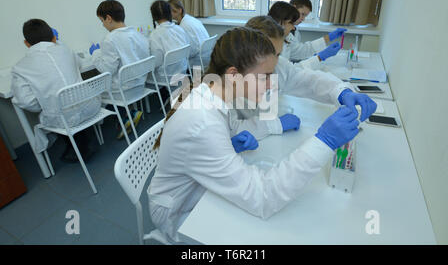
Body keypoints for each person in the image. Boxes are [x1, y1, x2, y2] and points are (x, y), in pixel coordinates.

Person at [147, 27, 372, 243]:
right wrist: (323, 142)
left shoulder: (212, 91)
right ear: (234, 74)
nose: (271, 83)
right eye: (265, 76)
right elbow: (263, 197)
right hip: (179, 212)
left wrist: (232, 140)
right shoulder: (202, 121)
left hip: (198, 187)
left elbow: (230, 127)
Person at [227, 15, 377, 141]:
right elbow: (230, 128)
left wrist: (342, 92)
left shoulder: (279, 66)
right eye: (267, 53)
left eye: (277, 54)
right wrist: (275, 125)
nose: (274, 62)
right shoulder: (227, 77)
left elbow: (308, 80)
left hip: (268, 140)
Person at [11, 19, 101, 163]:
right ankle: (83, 143)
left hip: (63, 120)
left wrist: (46, 101)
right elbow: (81, 65)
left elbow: (26, 102)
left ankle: (77, 147)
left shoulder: (20, 68)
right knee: (69, 105)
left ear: (26, 43)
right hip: (92, 107)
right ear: (53, 37)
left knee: (54, 109)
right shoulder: (66, 50)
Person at [90, 0, 149, 138]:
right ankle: (129, 114)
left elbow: (107, 69)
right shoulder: (137, 33)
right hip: (141, 85)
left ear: (109, 18)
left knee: (96, 92)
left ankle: (125, 118)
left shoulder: (109, 39)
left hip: (124, 91)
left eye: (102, 20)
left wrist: (95, 54)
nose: (102, 25)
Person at [268, 1, 344, 69]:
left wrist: (328, 38)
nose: (293, 27)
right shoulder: (266, 45)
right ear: (279, 22)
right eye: (291, 23)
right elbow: (290, 71)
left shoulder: (286, 37)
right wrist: (320, 57)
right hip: (270, 83)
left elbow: (302, 50)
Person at [148, 0, 191, 99]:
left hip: (167, 76)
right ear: (169, 13)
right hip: (182, 69)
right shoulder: (179, 29)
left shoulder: (155, 35)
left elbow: (157, 62)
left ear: (153, 16)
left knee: (144, 75)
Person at [289, 0, 347, 64]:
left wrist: (329, 38)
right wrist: (320, 57)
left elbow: (299, 52)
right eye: (302, 14)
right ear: (293, 8)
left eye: (305, 16)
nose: (303, 19)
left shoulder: (294, 31)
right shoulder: (281, 31)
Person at [168, 0, 210, 69]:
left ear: (179, 10)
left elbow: (192, 50)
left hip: (197, 62)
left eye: (171, 11)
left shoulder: (184, 25)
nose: (168, 13)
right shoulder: (191, 19)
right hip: (206, 57)